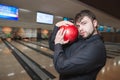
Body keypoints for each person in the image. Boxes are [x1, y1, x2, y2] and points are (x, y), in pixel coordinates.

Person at [49, 10, 106, 80]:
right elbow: (53, 46)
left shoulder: (97, 48)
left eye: (84, 23)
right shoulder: (79, 40)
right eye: (78, 26)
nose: (80, 29)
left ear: (94, 23)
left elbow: (62, 67)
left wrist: (58, 44)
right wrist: (57, 27)